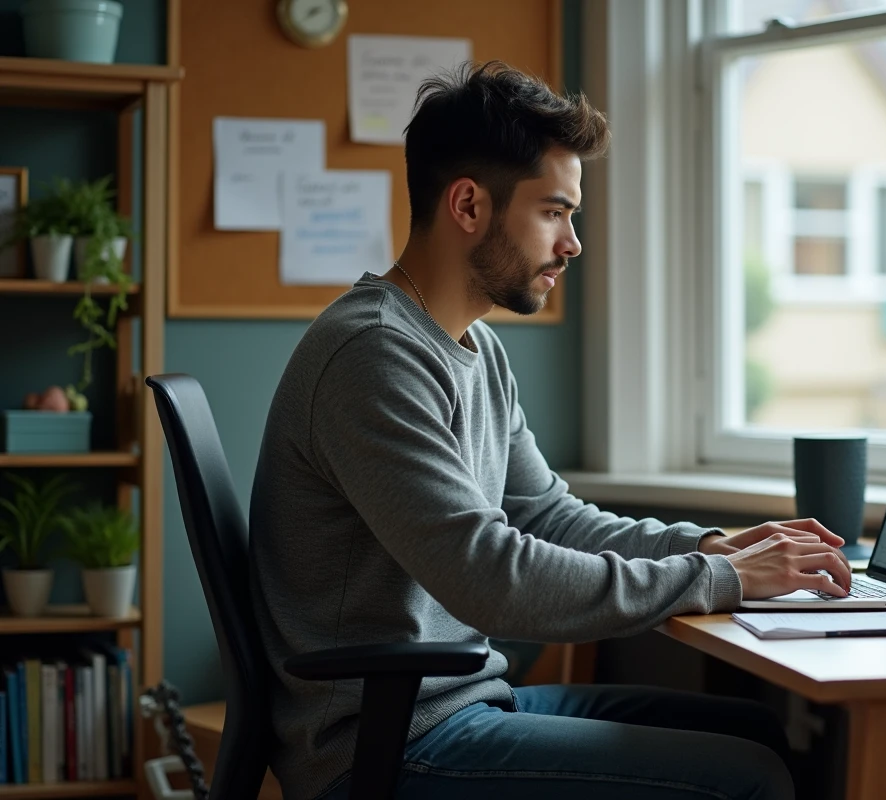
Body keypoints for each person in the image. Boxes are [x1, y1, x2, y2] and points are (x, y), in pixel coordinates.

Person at [249, 61, 852, 800]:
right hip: (385, 742)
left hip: (457, 705)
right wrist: (717, 580)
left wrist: (704, 546)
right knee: (750, 780)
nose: (572, 244)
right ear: (468, 204)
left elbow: (546, 515)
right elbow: (490, 576)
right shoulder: (373, 354)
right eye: (553, 212)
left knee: (757, 732)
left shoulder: (474, 347)